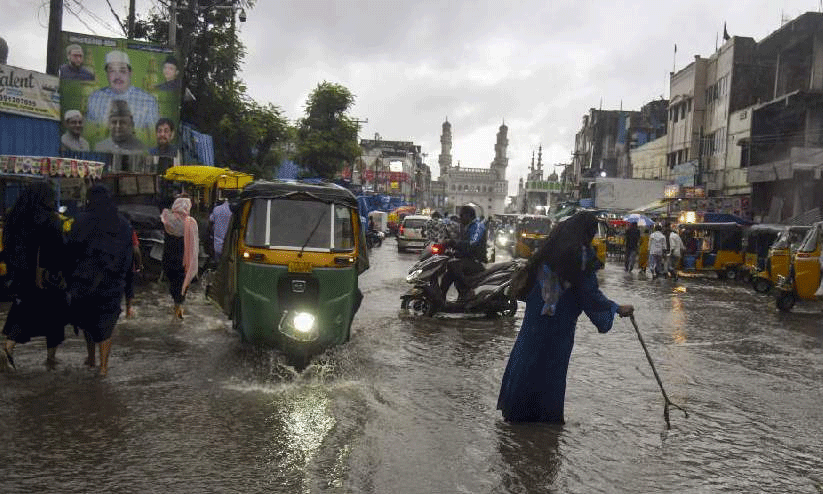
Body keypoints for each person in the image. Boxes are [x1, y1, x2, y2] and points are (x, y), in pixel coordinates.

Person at [497, 211, 634, 423]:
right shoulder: (580, 255)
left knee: (526, 358)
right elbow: (589, 293)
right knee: (551, 368)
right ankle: (544, 419)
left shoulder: (548, 250)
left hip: (535, 317)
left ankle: (517, 414)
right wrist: (615, 308)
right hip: (558, 322)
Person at [1, 183, 69, 371]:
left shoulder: (15, 218)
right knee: (55, 318)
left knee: (21, 312)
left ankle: (7, 349)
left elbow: (9, 247)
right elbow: (59, 249)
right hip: (48, 279)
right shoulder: (51, 220)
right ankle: (51, 359)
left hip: (23, 278)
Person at [66, 185, 134, 376]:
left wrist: (68, 280)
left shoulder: (80, 221)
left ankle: (91, 358)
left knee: (87, 321)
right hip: (112, 284)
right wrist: (129, 291)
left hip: (84, 283)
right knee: (106, 325)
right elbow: (128, 260)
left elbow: (70, 253)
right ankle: (104, 367)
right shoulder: (122, 224)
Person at [86, 50, 159, 131]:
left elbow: (152, 135)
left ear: (130, 73)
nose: (118, 76)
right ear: (107, 74)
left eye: (122, 71)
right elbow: (90, 132)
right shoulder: (95, 98)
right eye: (112, 71)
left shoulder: (148, 101)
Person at [161, 196, 199, 319]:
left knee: (173, 283)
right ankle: (179, 306)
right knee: (182, 284)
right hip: (183, 260)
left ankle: (176, 306)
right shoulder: (190, 222)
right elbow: (194, 244)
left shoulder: (167, 219)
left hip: (168, 258)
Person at [439, 205, 487, 300]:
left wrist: (453, 242)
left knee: (454, 265)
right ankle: (440, 298)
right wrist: (451, 250)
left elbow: (472, 244)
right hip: (468, 259)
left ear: (468, 216)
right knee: (448, 274)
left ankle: (466, 292)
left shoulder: (477, 226)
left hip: (477, 261)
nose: (460, 218)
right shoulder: (466, 227)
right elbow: (463, 246)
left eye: (461, 215)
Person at [208, 198, 232, 263]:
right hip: (229, 245)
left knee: (218, 263)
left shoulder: (216, 209)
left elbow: (211, 219)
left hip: (217, 243)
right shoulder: (233, 210)